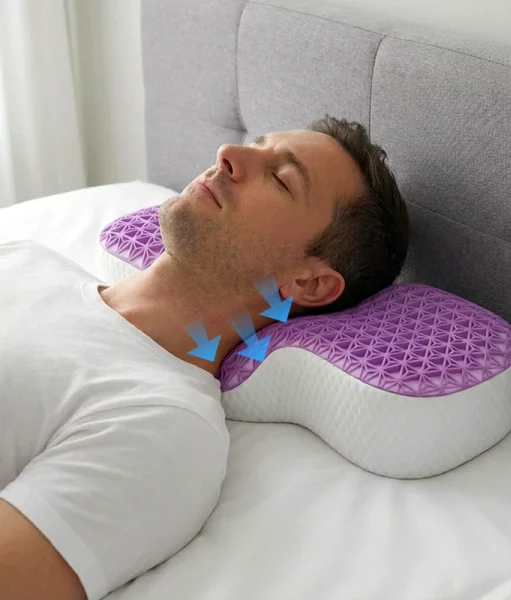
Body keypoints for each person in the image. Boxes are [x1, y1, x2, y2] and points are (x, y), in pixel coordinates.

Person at [0, 115, 409, 600]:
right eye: (252, 144)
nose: (227, 154)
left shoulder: (163, 425)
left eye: (281, 179)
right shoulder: (27, 258)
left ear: (309, 283)